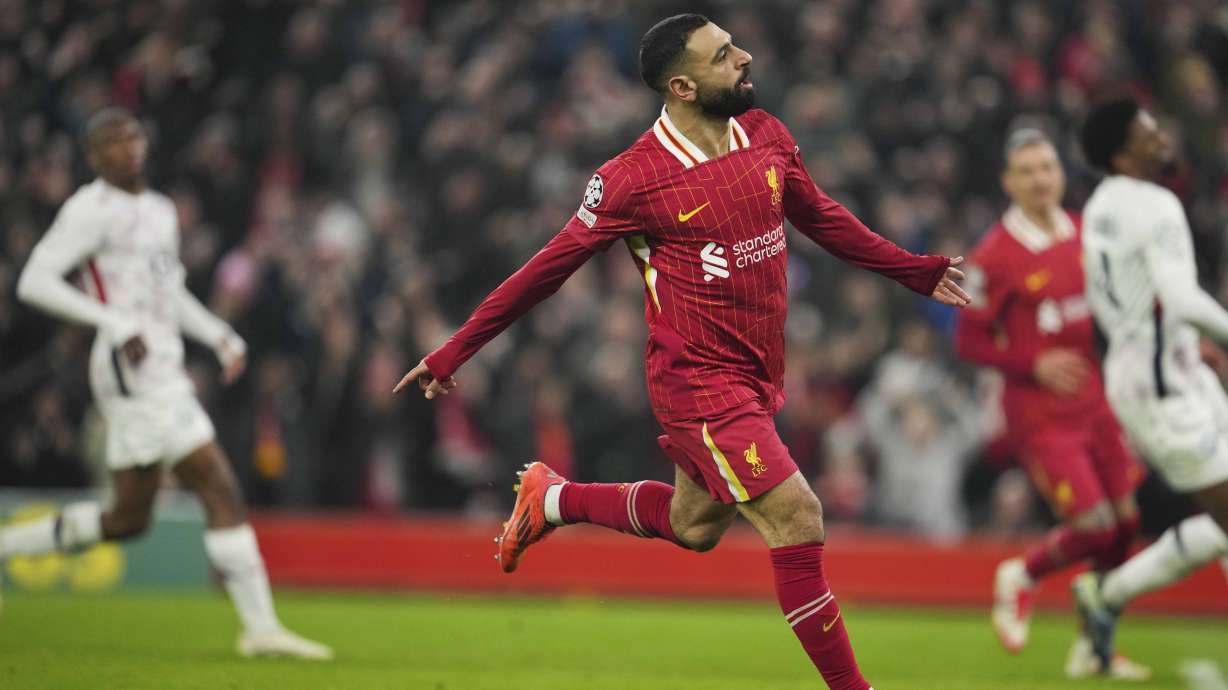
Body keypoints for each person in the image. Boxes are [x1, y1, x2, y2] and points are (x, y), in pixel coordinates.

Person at [394, 15, 968, 690]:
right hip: (698, 382)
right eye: (725, 55)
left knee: (694, 526)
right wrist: (455, 351)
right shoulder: (634, 179)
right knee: (797, 516)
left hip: (758, 374)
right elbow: (544, 269)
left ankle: (552, 501)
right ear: (683, 85)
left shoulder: (766, 135)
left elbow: (822, 216)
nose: (746, 58)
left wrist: (914, 270)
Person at [0, 108, 332, 660]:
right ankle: (260, 629)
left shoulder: (158, 210)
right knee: (216, 482)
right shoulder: (89, 209)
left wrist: (217, 333)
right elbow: (35, 280)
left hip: (164, 363)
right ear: (93, 157)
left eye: (131, 137)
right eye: (111, 142)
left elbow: (167, 291)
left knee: (129, 518)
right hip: (129, 369)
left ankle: (6, 545)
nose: (126, 149)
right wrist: (110, 321)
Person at [953, 129, 1149, 679]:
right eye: (1028, 170)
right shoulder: (994, 255)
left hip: (1095, 402)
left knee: (1126, 524)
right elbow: (967, 341)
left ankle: (1094, 645)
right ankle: (1022, 575)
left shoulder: (1084, 234)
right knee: (1093, 524)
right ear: (1008, 182)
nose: (1041, 178)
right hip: (1039, 416)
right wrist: (1031, 363)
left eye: (1048, 167)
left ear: (1061, 174)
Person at [1073, 96, 1228, 671]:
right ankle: (1105, 597)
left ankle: (1104, 596)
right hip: (1165, 390)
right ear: (1121, 151)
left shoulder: (1101, 206)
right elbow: (1183, 299)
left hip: (1160, 372)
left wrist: (1188, 348)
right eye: (1145, 129)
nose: (1160, 133)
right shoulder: (1156, 204)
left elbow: (1133, 303)